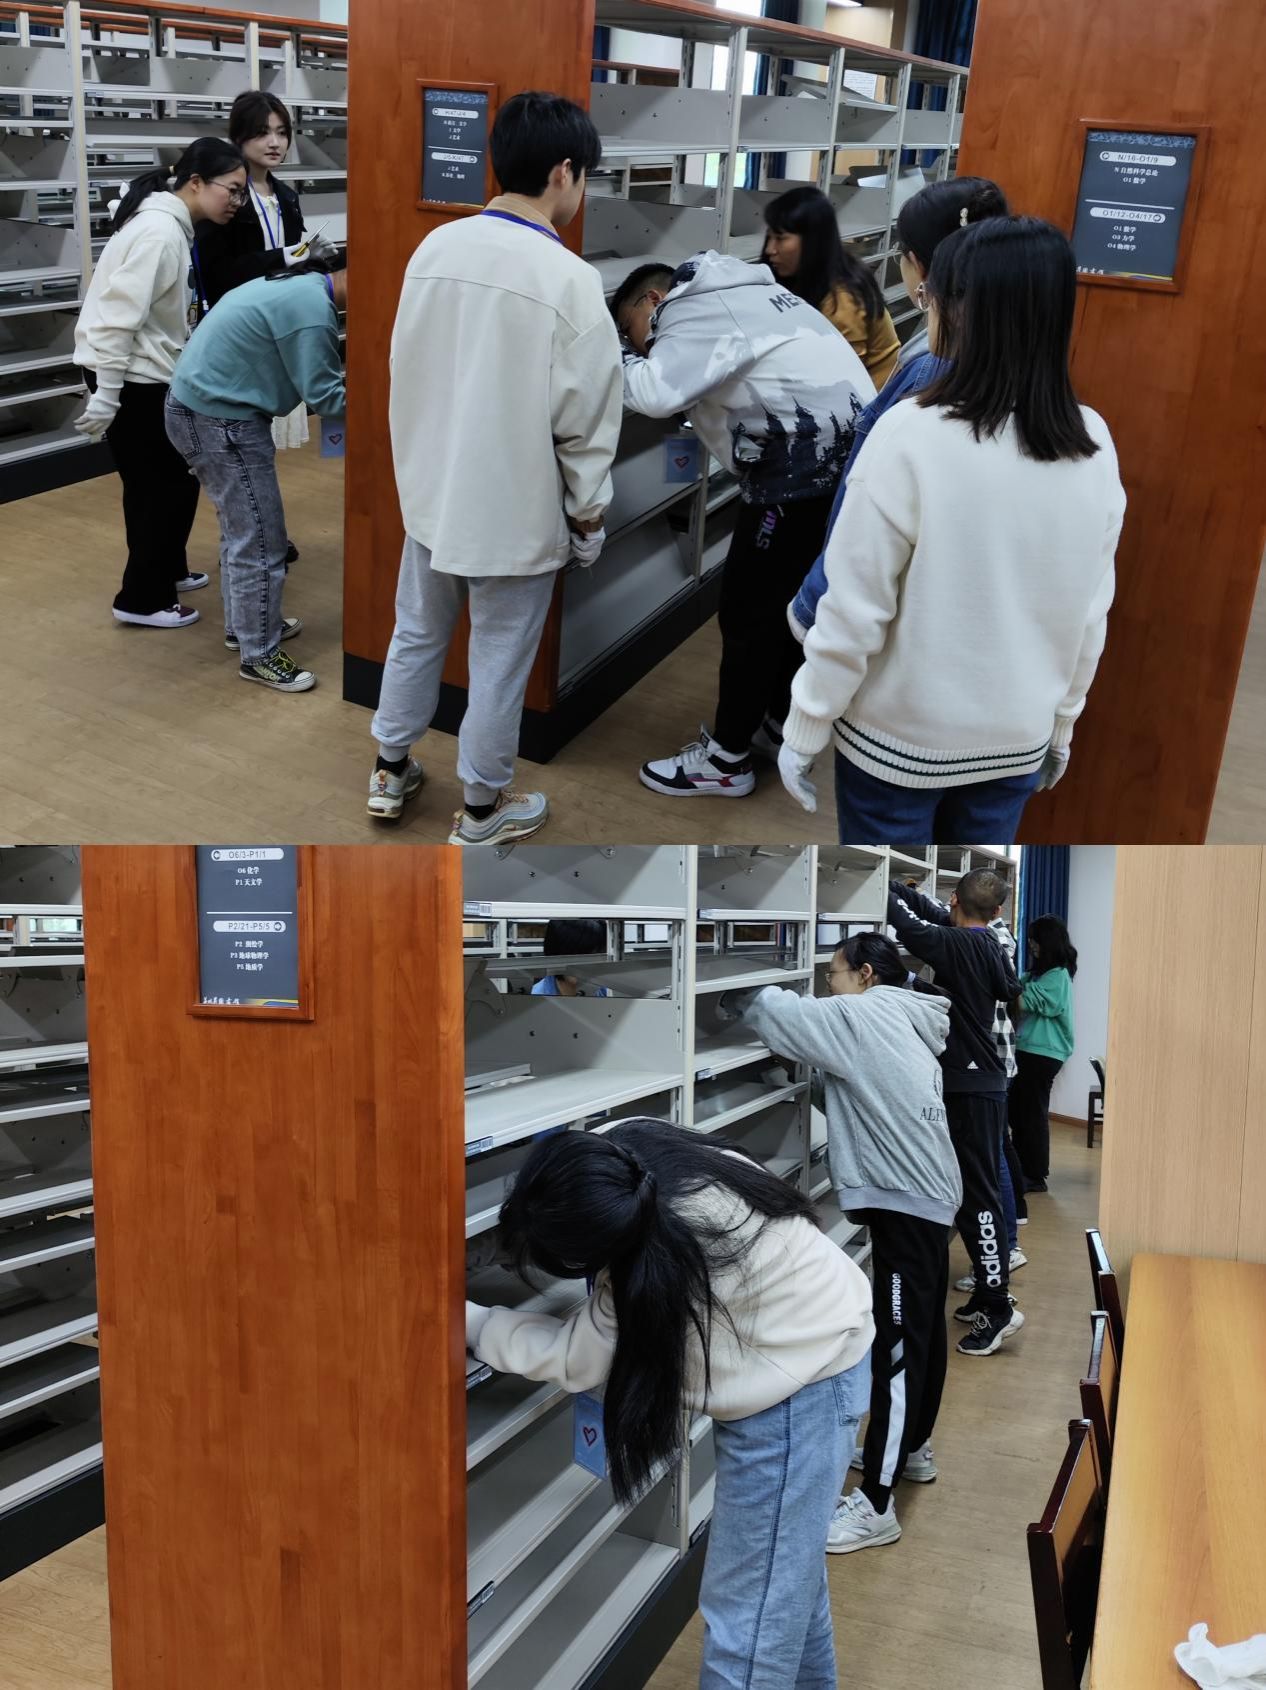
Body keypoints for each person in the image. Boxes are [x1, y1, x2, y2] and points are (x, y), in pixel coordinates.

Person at [465, 1118, 874, 1687]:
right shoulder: (628, 1147)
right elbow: (550, 1207)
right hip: (820, 1351)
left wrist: (470, 1321)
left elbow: (576, 1357)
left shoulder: (661, 1250)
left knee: (748, 1628)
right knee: (784, 1592)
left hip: (798, 1396)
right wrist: (480, 1246)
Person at [775, 216, 1128, 845]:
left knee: (891, 882)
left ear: (960, 309)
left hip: (897, 746)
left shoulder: (910, 432)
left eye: (929, 293)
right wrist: (1062, 724)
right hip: (1017, 743)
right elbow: (1090, 614)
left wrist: (807, 723)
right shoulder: (1093, 441)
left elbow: (855, 606)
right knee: (963, 875)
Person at [370, 91, 622, 844]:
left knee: (416, 632)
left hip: (433, 494)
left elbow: (406, 369)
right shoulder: (568, 279)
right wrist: (588, 518)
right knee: (499, 659)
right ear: (564, 172)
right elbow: (585, 424)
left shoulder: (434, 250)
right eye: (585, 177)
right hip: (514, 511)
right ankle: (481, 810)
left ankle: (388, 769)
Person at [728, 932, 960, 1555]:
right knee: (921, 1334)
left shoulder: (864, 1013)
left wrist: (729, 986)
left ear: (864, 975)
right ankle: (912, 1447)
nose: (826, 987)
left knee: (897, 1347)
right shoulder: (904, 1015)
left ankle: (877, 1503)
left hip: (905, 1199)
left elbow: (779, 1013)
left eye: (830, 975)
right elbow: (871, 1098)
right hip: (926, 1195)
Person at [613, 252, 874, 799]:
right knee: (791, 605)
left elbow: (655, 393)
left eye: (630, 330)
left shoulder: (688, 309)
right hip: (847, 466)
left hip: (802, 471)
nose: (640, 344)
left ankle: (726, 760)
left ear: (652, 301)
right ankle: (777, 724)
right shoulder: (749, 293)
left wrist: (607, 354)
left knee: (748, 612)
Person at [788, 177, 1008, 650]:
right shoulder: (1009, 352)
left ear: (919, 267)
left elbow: (865, 512)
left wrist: (814, 607)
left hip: (881, 625)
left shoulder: (930, 369)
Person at [72, 137, 246, 630]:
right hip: (130, 375)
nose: (237, 201)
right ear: (196, 182)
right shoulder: (159, 233)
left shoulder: (170, 225)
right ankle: (142, 598)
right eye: (232, 190)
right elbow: (115, 320)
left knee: (165, 482)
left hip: (143, 371)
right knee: (159, 489)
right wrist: (107, 396)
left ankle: (166, 567)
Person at [165, 259, 347, 693]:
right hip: (221, 422)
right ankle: (259, 655)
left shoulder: (302, 286)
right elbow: (326, 396)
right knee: (261, 538)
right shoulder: (312, 311)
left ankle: (244, 627)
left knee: (241, 529)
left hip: (199, 409)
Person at [194, 89, 338, 560]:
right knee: (240, 444)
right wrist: (286, 256)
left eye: (281, 133)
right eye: (262, 133)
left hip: (278, 330)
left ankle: (261, 533)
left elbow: (293, 265)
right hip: (238, 331)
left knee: (258, 443)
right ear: (239, 138)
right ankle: (253, 537)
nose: (274, 143)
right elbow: (219, 273)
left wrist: (313, 259)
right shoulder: (228, 199)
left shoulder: (287, 197)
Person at [887, 870, 1025, 1356]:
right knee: (972, 1195)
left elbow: (908, 926)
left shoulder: (956, 944)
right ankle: (989, 1293)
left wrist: (885, 890)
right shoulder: (985, 941)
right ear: (998, 910)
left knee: (979, 1199)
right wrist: (903, 889)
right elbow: (928, 915)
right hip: (977, 1083)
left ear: (955, 901)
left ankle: (998, 1306)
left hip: (971, 1087)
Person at [762, 185, 900, 389]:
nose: (770, 249)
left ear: (812, 240)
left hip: (871, 397)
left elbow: (840, 382)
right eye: (770, 236)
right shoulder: (810, 276)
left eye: (780, 238)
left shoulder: (844, 299)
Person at [1010, 915, 1078, 1192]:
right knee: (1019, 1112)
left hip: (1043, 1054)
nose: (1031, 945)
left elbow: (1024, 1001)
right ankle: (1022, 1169)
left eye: (1035, 940)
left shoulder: (1057, 976)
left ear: (1047, 942)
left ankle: (1035, 1174)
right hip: (1029, 1051)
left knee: (1031, 1114)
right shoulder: (1036, 975)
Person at [531, 917, 613, 996]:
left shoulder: (607, 990)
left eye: (599, 955)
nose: (596, 966)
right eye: (585, 957)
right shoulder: (534, 999)